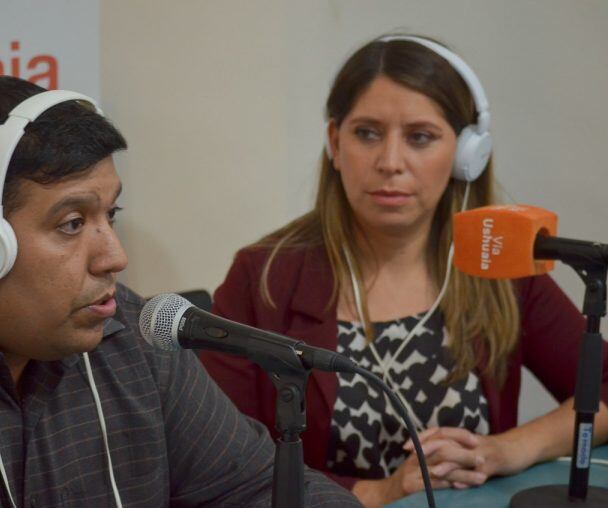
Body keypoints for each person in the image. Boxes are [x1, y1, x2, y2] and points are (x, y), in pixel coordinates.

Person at [0, 76, 360, 507]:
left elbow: (256, 489)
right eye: (71, 223)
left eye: (109, 215)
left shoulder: (128, 333)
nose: (115, 256)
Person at [199, 34, 608, 506]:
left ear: (465, 155)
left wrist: (509, 449)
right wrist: (379, 491)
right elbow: (221, 460)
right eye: (367, 133)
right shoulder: (264, 276)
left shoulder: (502, 268)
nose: (390, 163)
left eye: (420, 137)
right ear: (335, 141)